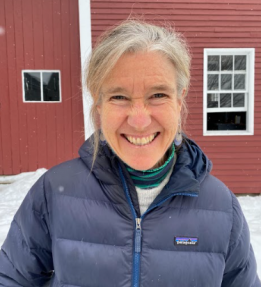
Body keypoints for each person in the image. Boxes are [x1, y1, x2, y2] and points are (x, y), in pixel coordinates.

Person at [0, 20, 260, 287]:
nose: (139, 121)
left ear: (179, 100)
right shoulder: (53, 193)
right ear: (98, 104)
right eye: (119, 97)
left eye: (157, 94)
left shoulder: (221, 208)